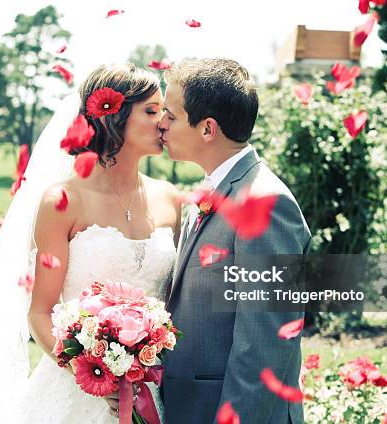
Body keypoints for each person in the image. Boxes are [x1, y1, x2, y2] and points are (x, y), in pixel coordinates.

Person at [0, 63, 180, 423]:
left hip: (154, 388)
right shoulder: (63, 201)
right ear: (111, 117)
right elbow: (40, 312)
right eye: (151, 111)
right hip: (76, 393)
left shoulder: (171, 199)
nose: (163, 121)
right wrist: (92, 374)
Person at [158, 58, 311, 424]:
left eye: (171, 115)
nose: (160, 123)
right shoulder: (214, 190)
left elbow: (264, 347)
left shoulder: (266, 205)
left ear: (208, 129)